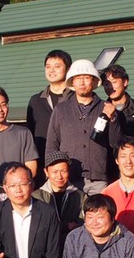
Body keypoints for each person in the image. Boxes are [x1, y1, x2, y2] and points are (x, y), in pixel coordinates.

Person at [45, 58, 121, 194]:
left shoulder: (106, 107)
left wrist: (113, 118)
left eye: (86, 77)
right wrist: (53, 173)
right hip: (68, 178)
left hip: (98, 179)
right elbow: (52, 144)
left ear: (94, 81)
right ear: (72, 82)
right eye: (78, 78)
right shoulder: (61, 109)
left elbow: (116, 143)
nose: (82, 82)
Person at [25, 49, 73, 166]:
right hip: (43, 164)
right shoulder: (36, 101)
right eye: (48, 67)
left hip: (72, 163)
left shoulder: (76, 99)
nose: (51, 70)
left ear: (68, 69)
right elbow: (30, 134)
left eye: (57, 66)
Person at [32, 151, 84, 233]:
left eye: (63, 171)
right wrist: (66, 226)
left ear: (69, 171)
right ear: (46, 172)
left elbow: (82, 222)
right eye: (54, 172)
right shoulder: (36, 196)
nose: (59, 177)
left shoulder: (81, 196)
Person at [101, 63, 134, 138]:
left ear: (125, 82)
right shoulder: (100, 110)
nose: (110, 87)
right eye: (107, 84)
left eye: (114, 82)